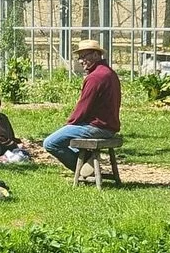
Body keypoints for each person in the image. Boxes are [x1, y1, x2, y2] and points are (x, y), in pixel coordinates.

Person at [43, 38, 122, 176]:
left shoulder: (95, 77)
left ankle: (84, 167)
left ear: (96, 55)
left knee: (50, 143)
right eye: (79, 57)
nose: (80, 60)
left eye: (84, 56)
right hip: (109, 126)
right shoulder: (110, 73)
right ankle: (88, 161)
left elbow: (83, 107)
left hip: (97, 127)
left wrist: (69, 124)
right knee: (61, 138)